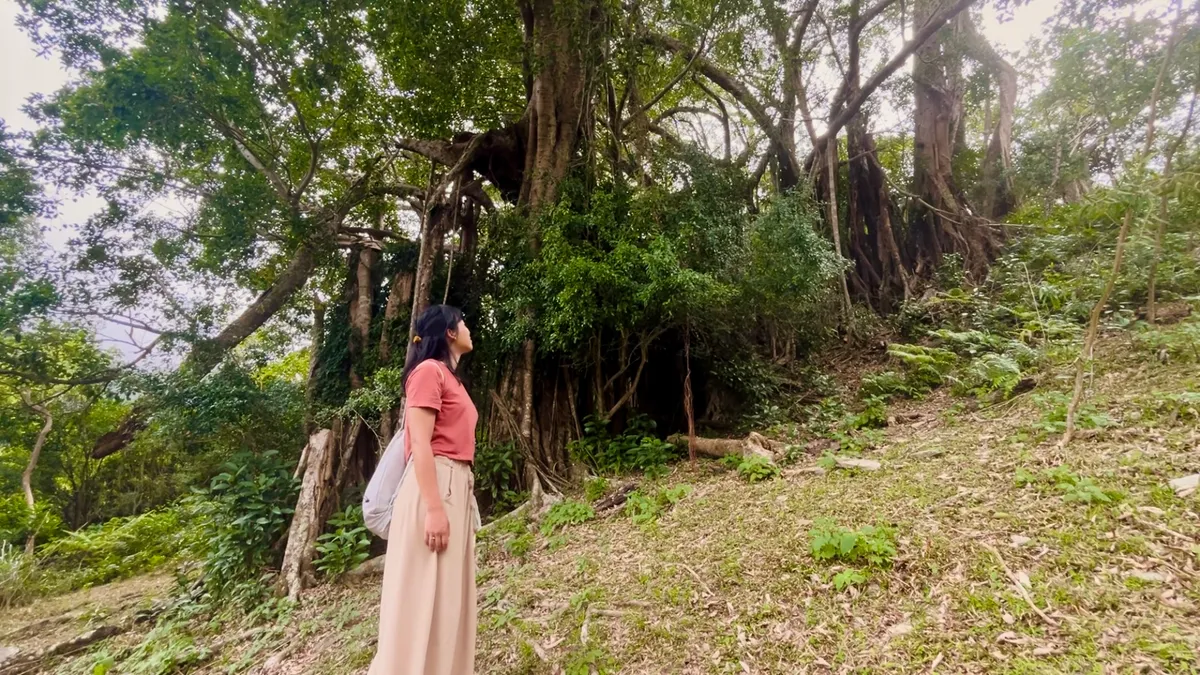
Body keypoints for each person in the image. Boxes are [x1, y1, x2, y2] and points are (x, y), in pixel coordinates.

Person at [371, 305, 479, 675]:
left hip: (455, 485)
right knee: (420, 596)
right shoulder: (428, 371)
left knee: (448, 598)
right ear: (449, 332)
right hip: (433, 488)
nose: (468, 328)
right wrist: (434, 508)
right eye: (463, 323)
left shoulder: (451, 378)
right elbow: (420, 442)